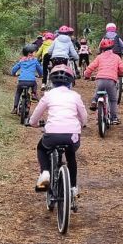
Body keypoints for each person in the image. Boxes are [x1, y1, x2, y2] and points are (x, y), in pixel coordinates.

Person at [29, 65, 87, 204]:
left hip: (52, 135)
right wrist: (82, 124)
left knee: (42, 149)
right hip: (72, 136)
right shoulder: (75, 96)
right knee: (71, 155)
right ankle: (72, 188)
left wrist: (33, 123)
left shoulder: (48, 95)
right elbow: (84, 117)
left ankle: (45, 174)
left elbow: (36, 115)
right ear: (70, 82)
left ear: (52, 82)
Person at [83, 38, 123, 124]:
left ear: (102, 49)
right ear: (112, 48)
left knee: (98, 90)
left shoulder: (99, 57)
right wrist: (120, 74)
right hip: (111, 80)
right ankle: (114, 118)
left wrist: (86, 75)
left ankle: (94, 101)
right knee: (113, 100)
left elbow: (91, 67)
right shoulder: (116, 57)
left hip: (100, 79)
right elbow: (122, 68)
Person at [10, 45, 43, 116]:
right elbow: (40, 70)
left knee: (18, 93)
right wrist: (40, 75)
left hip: (21, 81)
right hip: (31, 81)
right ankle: (34, 94)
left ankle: (15, 108)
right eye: (35, 52)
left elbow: (14, 69)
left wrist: (14, 74)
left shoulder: (21, 61)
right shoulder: (35, 61)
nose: (35, 53)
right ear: (30, 53)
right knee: (34, 84)